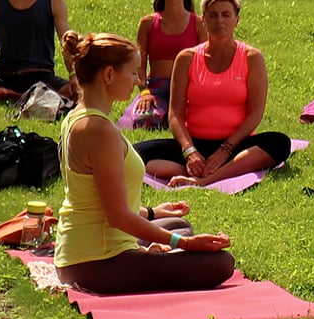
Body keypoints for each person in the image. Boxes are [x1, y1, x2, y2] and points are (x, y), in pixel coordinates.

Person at [52, 30, 234, 294]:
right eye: (133, 73)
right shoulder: (98, 130)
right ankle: (158, 253)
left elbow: (99, 202)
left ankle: (157, 251)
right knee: (220, 263)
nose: (138, 80)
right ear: (109, 75)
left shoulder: (78, 117)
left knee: (177, 225)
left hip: (82, 252)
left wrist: (153, 213)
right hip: (97, 263)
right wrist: (184, 244)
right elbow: (117, 216)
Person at [135, 0, 292, 188]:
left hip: (235, 146)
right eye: (213, 15)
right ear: (203, 20)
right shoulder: (186, 58)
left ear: (236, 20)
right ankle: (202, 169)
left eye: (226, 15)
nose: (220, 21)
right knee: (134, 154)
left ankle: (204, 180)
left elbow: (255, 114)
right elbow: (175, 115)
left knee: (279, 143)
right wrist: (190, 152)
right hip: (195, 144)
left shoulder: (252, 57)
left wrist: (225, 149)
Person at [127, 0, 203, 130]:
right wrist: (144, 92)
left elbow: (205, 61)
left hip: (187, 88)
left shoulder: (198, 24)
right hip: (156, 88)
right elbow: (139, 62)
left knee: (198, 121)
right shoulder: (148, 23)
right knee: (144, 120)